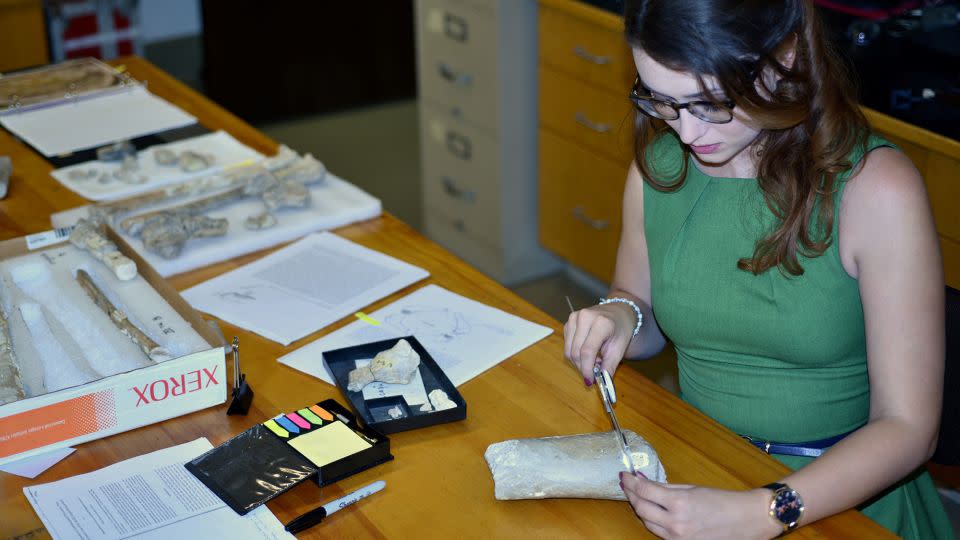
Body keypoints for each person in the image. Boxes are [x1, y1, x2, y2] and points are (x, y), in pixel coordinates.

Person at [562, 0, 954, 538]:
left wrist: (763, 510)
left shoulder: (875, 188)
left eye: (709, 104)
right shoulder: (660, 168)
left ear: (784, 59)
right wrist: (620, 316)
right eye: (663, 102)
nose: (685, 132)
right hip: (705, 470)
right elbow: (640, 303)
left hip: (837, 498)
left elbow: (909, 429)